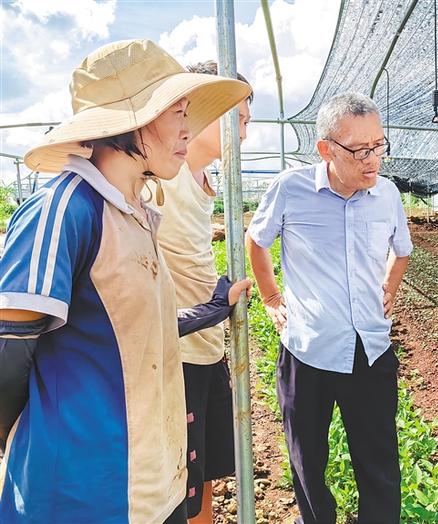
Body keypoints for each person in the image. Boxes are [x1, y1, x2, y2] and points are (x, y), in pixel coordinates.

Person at [0, 39, 251, 523]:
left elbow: (130, 331)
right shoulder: (65, 210)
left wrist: (211, 308)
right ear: (129, 121)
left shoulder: (136, 214)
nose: (188, 127)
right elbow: (7, 352)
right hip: (82, 496)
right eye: (176, 112)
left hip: (151, 485)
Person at [246, 92, 412, 524]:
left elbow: (403, 250)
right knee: (308, 461)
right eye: (360, 150)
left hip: (370, 349)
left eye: (379, 145)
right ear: (326, 149)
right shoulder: (290, 188)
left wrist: (390, 286)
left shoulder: (388, 194)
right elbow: (257, 241)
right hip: (309, 348)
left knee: (378, 463)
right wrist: (271, 298)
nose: (372, 159)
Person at [156, 60, 253, 523]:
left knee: (206, 476)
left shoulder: (198, 178)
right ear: (206, 112)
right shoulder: (163, 181)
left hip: (206, 345)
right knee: (181, 484)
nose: (246, 135)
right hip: (175, 354)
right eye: (240, 121)